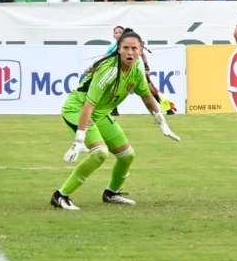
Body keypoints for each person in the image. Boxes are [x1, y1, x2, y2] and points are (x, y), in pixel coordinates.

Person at [52, 30, 180, 210]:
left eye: (134, 48)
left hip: (101, 114)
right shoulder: (110, 70)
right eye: (125, 48)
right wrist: (79, 139)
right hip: (78, 110)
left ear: (141, 50)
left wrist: (163, 124)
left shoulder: (136, 69)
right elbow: (89, 104)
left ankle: (112, 193)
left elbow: (146, 96)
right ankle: (60, 195)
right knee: (100, 153)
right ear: (118, 50)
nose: (130, 52)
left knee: (127, 156)